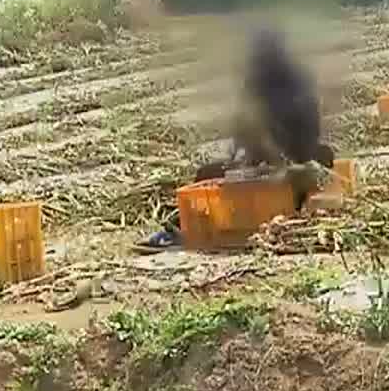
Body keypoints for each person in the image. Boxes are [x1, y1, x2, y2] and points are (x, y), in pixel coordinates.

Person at [141, 29, 336, 249]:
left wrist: (270, 152)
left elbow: (297, 134)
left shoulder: (286, 84)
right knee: (209, 174)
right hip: (271, 165)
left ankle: (192, 226)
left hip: (291, 165)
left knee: (302, 171)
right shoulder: (266, 81)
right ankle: (183, 225)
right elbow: (243, 131)